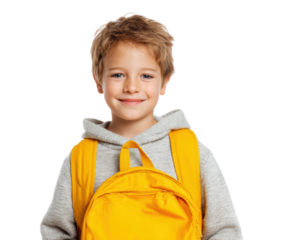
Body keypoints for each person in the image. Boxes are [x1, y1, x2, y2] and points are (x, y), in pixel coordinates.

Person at [39, 11, 243, 240]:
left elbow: (224, 230)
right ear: (98, 83)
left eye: (146, 76)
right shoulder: (80, 158)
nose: (132, 87)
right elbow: (56, 231)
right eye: (118, 75)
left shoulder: (193, 153)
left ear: (164, 83)